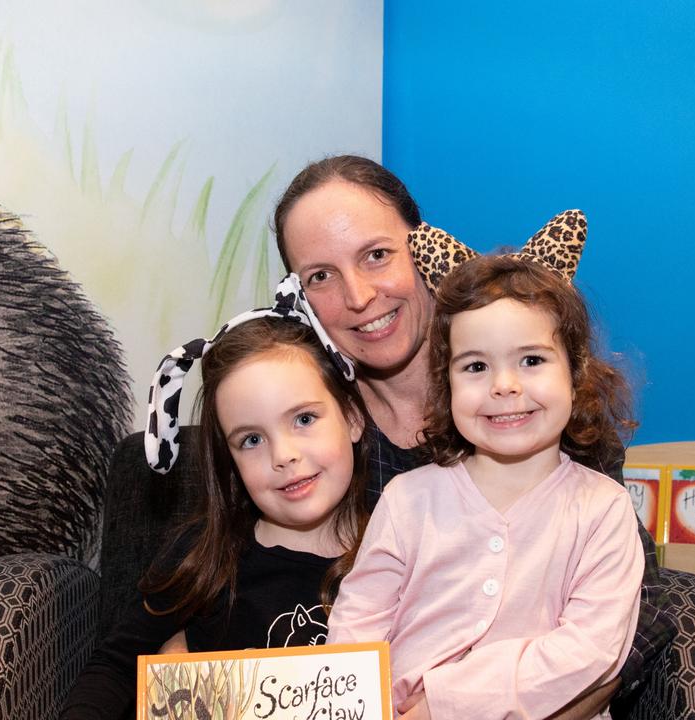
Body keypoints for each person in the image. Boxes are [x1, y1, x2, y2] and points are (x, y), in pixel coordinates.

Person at [272, 156, 673, 711]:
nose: (359, 295)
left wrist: (452, 704)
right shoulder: (322, 442)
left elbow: (615, 629)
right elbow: (356, 614)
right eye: (321, 275)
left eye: (377, 255)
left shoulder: (590, 493)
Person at [327, 255, 644, 719]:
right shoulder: (407, 499)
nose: (504, 385)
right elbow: (356, 624)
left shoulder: (602, 508)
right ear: (446, 382)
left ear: (575, 375)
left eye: (532, 360)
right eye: (475, 367)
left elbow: (592, 648)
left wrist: (443, 702)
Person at [60, 277, 371, 719]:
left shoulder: (400, 548)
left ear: (353, 418)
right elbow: (114, 666)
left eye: (304, 418)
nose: (284, 456)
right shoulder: (203, 557)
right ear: (229, 457)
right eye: (250, 440)